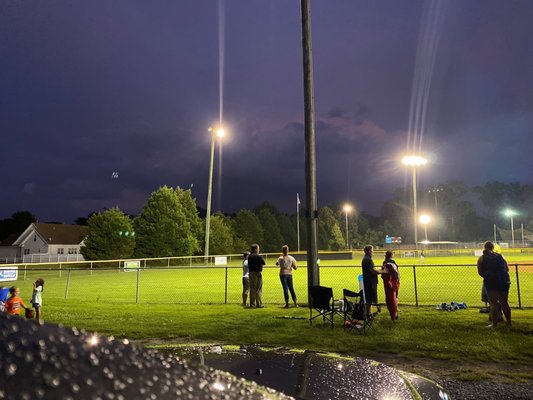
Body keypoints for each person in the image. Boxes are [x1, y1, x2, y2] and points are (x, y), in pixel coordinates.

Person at [477, 241, 512, 327]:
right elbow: (507, 269)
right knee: (504, 302)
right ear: (493, 247)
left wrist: (488, 277)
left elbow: (480, 272)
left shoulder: (482, 258)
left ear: (484, 247)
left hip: (491, 281)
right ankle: (509, 323)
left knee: (493, 303)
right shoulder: (500, 256)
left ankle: (494, 324)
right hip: (504, 280)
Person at [361, 245, 383, 316]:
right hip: (370, 282)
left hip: (367, 281)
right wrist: (382, 271)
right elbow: (373, 271)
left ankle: (369, 314)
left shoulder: (365, 259)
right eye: (372, 250)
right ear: (369, 251)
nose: (373, 252)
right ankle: (369, 314)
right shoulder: (368, 260)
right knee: (370, 298)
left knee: (369, 298)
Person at [381, 250, 400, 320]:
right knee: (394, 296)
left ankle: (393, 312)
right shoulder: (392, 262)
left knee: (389, 297)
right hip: (393, 282)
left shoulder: (384, 262)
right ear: (391, 255)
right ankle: (395, 313)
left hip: (387, 282)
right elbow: (396, 272)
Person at [247, 243, 265, 308]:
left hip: (251, 273)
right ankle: (258, 304)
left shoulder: (249, 256)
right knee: (258, 289)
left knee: (252, 288)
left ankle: (252, 304)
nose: (258, 250)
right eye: (258, 248)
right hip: (257, 273)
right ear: (255, 249)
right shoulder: (258, 256)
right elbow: (264, 262)